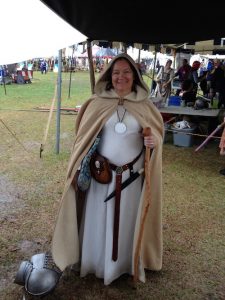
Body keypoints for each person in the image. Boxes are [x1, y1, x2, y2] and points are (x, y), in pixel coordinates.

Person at [51, 53, 164, 285]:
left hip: (132, 178)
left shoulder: (145, 106)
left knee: (127, 222)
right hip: (101, 176)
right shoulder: (96, 103)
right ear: (109, 76)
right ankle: (94, 262)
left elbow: (157, 135)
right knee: (97, 220)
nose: (120, 77)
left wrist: (154, 143)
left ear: (134, 76)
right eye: (115, 73)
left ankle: (123, 264)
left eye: (126, 72)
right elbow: (83, 137)